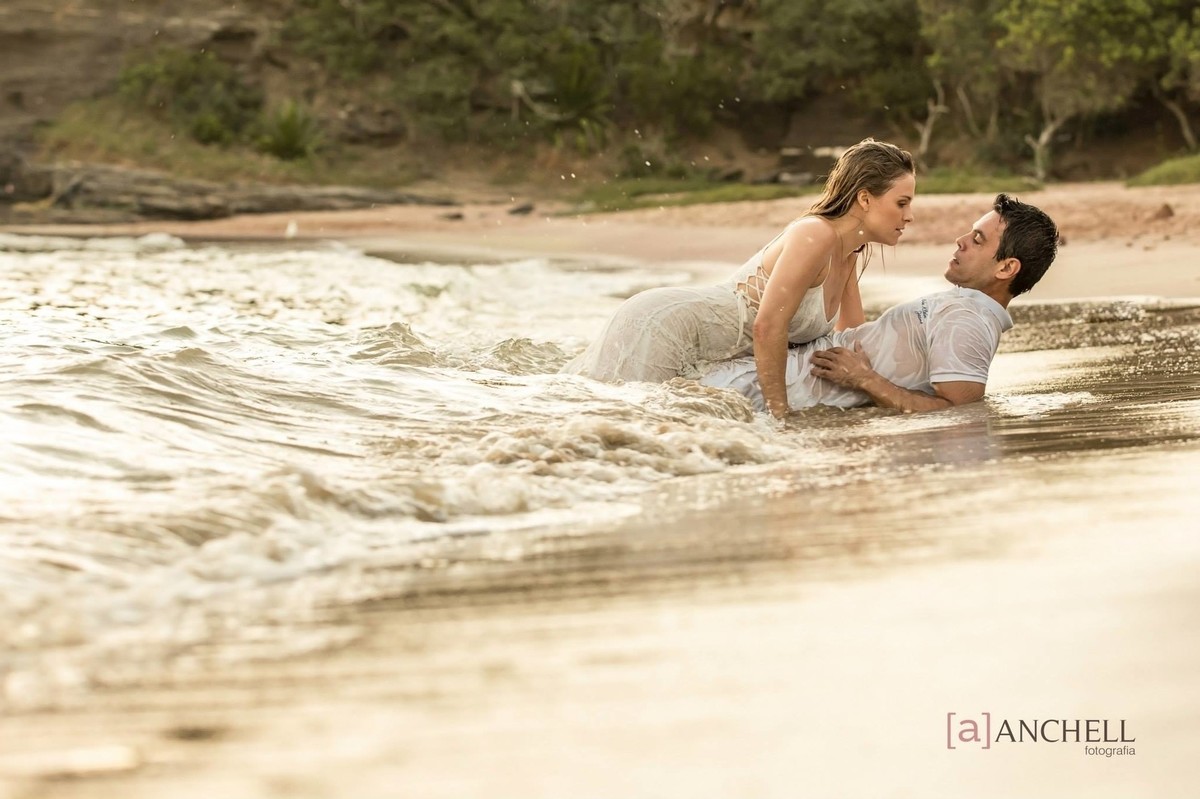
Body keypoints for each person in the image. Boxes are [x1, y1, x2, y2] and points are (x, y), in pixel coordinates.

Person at [562, 139, 916, 409]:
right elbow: (768, 327)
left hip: (701, 351)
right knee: (616, 419)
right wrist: (780, 415)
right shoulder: (815, 235)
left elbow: (852, 340)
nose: (909, 215)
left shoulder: (849, 253)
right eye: (902, 203)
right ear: (866, 199)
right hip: (667, 327)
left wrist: (876, 384)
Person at [699, 193, 1059, 414]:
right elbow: (861, 338)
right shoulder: (963, 308)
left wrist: (865, 379)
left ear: (1007, 268)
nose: (961, 239)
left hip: (765, 392)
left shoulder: (967, 318)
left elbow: (957, 414)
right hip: (761, 382)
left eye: (977, 240)